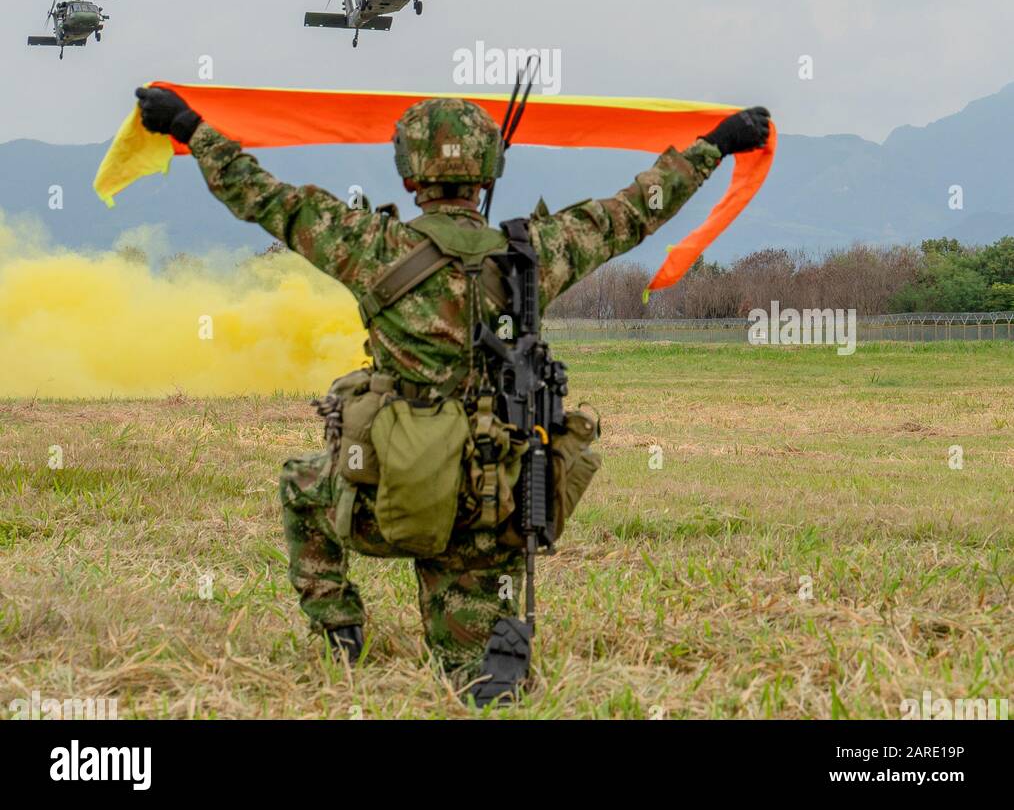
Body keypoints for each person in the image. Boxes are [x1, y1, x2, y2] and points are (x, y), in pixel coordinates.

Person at [134, 85, 770, 702]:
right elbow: (637, 209)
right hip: (489, 513)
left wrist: (189, 127)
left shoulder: (370, 246)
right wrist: (717, 143)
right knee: (479, 679)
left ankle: (338, 627)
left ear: (410, 177)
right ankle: (475, 651)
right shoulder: (537, 252)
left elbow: (263, 196)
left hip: (383, 503)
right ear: (489, 173)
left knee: (303, 483)